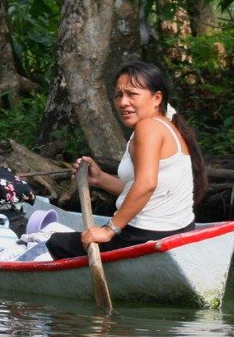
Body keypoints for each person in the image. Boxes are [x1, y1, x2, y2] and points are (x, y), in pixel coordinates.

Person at [47, 61, 208, 260]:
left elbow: (146, 185)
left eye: (132, 94)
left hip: (144, 237)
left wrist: (110, 229)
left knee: (54, 242)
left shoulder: (148, 127)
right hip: (178, 232)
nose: (123, 102)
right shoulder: (164, 126)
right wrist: (101, 179)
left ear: (157, 98)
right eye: (118, 95)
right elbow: (144, 189)